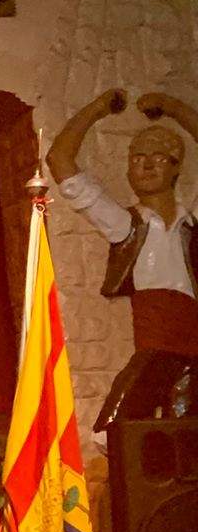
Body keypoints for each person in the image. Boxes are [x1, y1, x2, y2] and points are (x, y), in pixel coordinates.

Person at [48, 88, 197, 356]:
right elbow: (59, 160)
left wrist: (173, 107)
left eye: (159, 157)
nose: (147, 166)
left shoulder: (191, 225)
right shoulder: (125, 225)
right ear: (129, 171)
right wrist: (97, 108)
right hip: (154, 344)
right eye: (138, 159)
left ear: (176, 167)